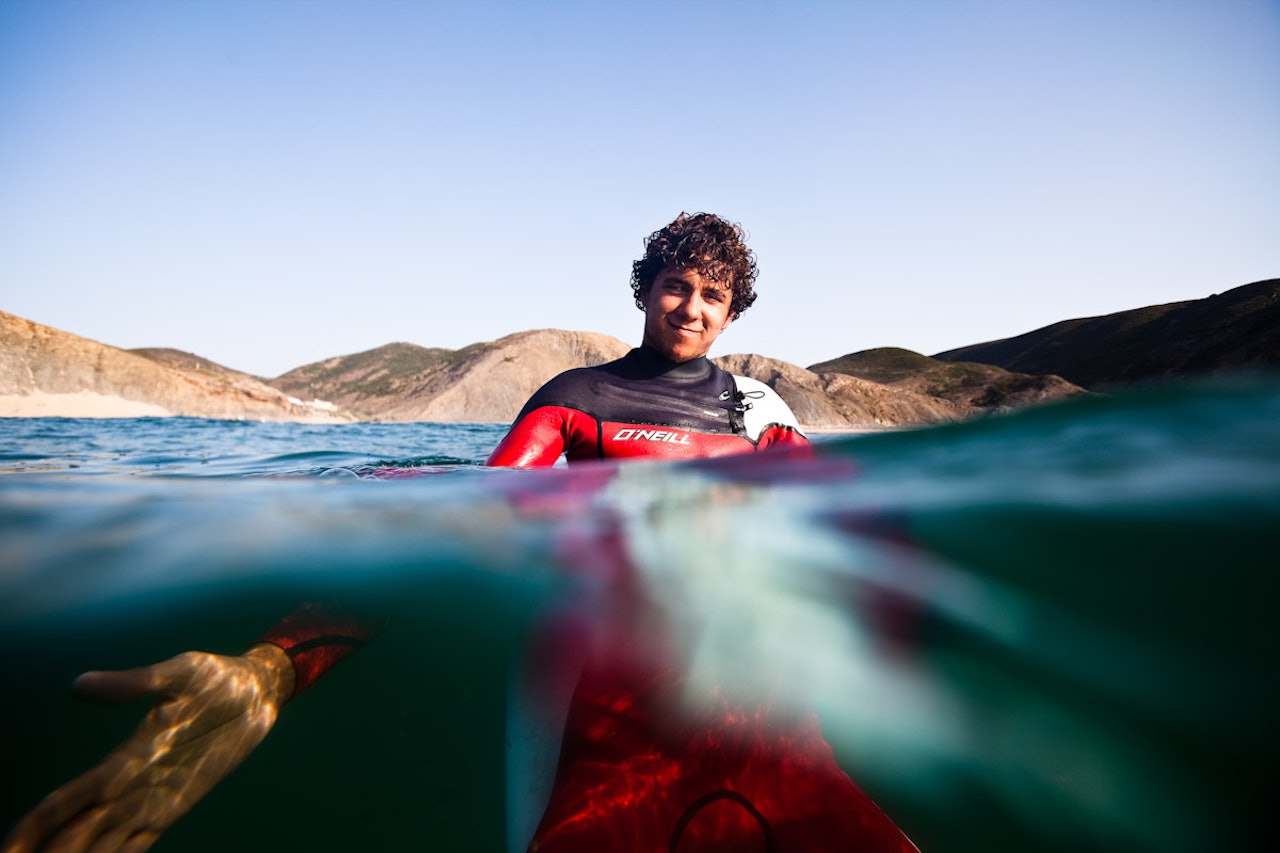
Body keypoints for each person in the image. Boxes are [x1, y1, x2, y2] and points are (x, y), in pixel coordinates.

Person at [3, 214, 914, 852]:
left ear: (733, 311)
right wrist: (273, 664)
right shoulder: (578, 400)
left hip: (764, 719)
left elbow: (847, 529)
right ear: (645, 289)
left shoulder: (758, 414)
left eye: (715, 294)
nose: (693, 307)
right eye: (677, 284)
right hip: (618, 726)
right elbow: (466, 518)